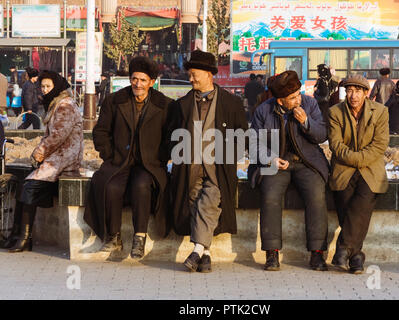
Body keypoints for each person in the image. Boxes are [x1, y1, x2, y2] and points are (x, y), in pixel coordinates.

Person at [83, 57, 172, 260]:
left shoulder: (165, 105)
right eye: (134, 79)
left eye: (142, 80)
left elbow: (171, 137)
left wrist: (161, 157)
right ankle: (113, 236)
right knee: (110, 186)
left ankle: (139, 237)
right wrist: (109, 154)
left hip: (149, 164)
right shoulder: (114, 101)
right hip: (119, 161)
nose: (137, 84)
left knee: (141, 185)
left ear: (151, 82)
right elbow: (101, 132)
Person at [168, 50, 248, 273]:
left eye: (194, 74)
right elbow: (172, 135)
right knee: (194, 202)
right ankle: (205, 253)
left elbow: (242, 136)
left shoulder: (231, 103)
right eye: (190, 74)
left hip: (218, 168)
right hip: (189, 167)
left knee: (210, 200)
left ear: (208, 74)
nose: (190, 78)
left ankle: (195, 251)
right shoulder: (182, 105)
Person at [248, 70, 330, 272]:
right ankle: (272, 252)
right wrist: (271, 158)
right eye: (292, 98)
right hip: (276, 163)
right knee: (269, 195)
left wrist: (306, 123)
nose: (298, 99)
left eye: (298, 94)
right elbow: (253, 143)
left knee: (317, 195)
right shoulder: (263, 111)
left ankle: (317, 253)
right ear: (280, 101)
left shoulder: (309, 104)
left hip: (306, 162)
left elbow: (321, 135)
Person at [6, 70, 83, 252]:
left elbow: (57, 136)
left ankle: (25, 238)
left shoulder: (65, 105)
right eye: (42, 86)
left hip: (65, 157)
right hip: (57, 156)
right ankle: (16, 234)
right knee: (24, 183)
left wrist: (38, 154)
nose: (45, 90)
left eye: (48, 86)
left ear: (56, 86)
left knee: (30, 185)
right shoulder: (55, 104)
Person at [328, 74, 389, 274]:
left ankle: (343, 249)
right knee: (346, 207)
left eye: (357, 91)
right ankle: (356, 257)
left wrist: (360, 159)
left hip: (370, 168)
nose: (353, 96)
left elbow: (380, 144)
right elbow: (335, 144)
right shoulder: (335, 112)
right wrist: (354, 159)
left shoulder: (380, 111)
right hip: (344, 168)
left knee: (361, 205)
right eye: (349, 91)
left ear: (365, 93)